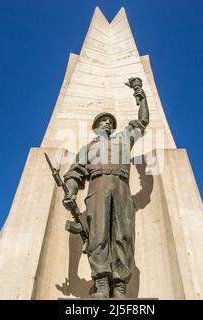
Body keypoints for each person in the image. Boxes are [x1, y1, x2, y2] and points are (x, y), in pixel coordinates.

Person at [62, 78, 149, 298]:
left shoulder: (124, 139)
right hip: (97, 186)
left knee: (123, 235)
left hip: (121, 185)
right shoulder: (88, 148)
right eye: (103, 121)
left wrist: (140, 94)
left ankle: (119, 285)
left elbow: (143, 120)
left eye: (110, 121)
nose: (108, 123)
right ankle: (101, 284)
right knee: (98, 235)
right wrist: (70, 192)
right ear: (96, 127)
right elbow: (75, 173)